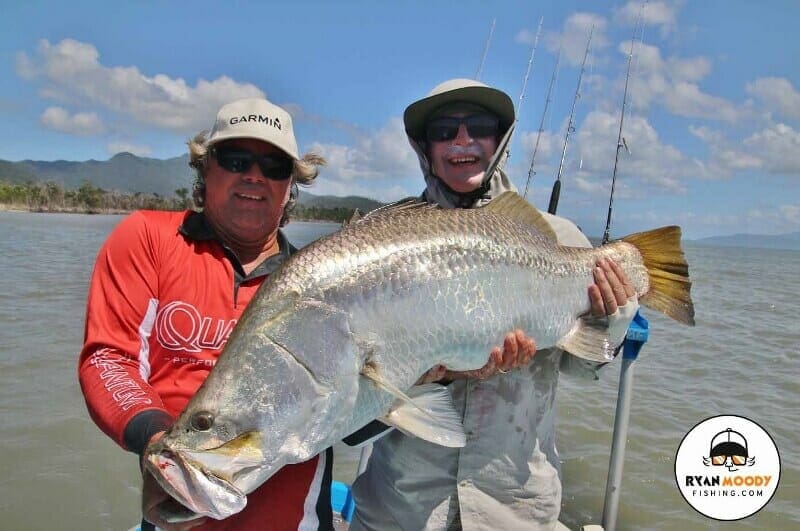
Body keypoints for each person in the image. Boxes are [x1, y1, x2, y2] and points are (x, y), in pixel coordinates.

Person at [349, 79, 638, 530]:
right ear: (424, 147)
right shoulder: (385, 245)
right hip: (401, 508)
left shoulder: (560, 238)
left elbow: (584, 368)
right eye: (444, 131)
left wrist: (616, 310)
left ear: (499, 139)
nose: (462, 141)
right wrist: (433, 372)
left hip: (515, 509)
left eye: (479, 127)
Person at [78, 98, 329, 531]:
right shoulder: (149, 240)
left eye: (274, 166)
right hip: (178, 500)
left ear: (292, 184)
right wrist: (159, 444)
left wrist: (433, 370)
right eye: (236, 159)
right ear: (204, 168)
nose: (254, 175)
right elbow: (108, 360)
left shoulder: (322, 282)